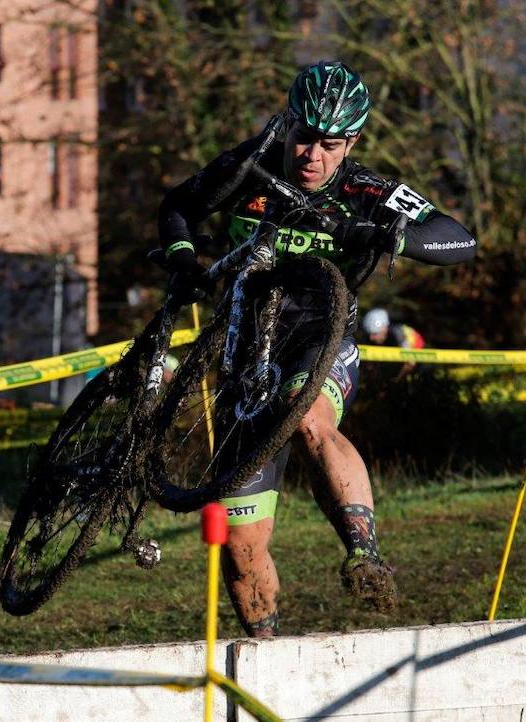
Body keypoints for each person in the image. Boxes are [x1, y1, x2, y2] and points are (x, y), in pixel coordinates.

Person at [158, 61, 477, 637]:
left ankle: (364, 555)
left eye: (331, 144)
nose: (313, 155)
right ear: (287, 124)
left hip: (320, 339)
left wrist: (392, 235)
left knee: (308, 417)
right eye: (304, 136)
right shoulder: (247, 168)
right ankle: (264, 654)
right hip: (245, 356)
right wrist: (183, 258)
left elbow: (458, 238)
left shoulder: (365, 189)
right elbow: (176, 206)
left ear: (351, 141)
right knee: (240, 549)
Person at [362, 308, 426, 379]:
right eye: (369, 334)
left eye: (375, 334)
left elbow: (410, 364)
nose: (371, 338)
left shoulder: (398, 335)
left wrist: (396, 379)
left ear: (384, 329)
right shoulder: (378, 337)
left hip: (418, 362)